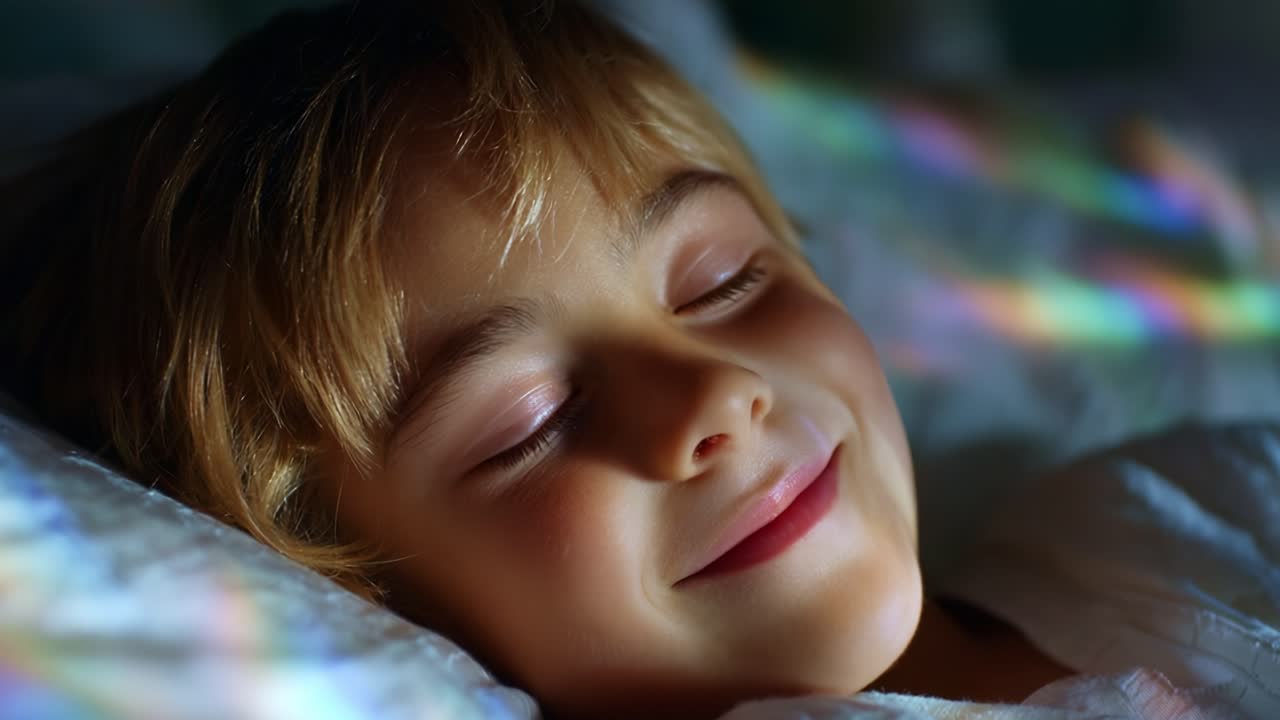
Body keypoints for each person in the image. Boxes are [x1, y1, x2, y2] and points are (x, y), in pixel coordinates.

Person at [0, 2, 1272, 718]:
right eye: (527, 423)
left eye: (726, 280)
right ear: (376, 597)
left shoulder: (1175, 503)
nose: (713, 396)